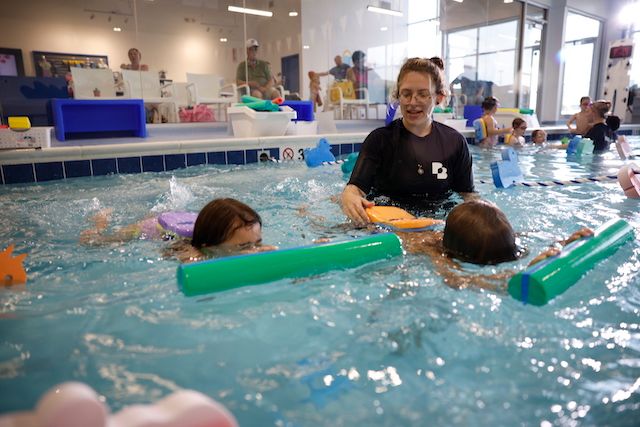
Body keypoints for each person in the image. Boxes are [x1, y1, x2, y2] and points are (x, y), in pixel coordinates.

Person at [340, 57, 475, 224]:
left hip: (437, 223)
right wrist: (349, 197)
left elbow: (468, 195)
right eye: (406, 94)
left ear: (438, 97)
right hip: (387, 225)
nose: (412, 102)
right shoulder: (380, 140)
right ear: (398, 95)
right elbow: (355, 189)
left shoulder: (455, 142)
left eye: (422, 94)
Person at [400, 199, 593, 290]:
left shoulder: (428, 245)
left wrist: (509, 280)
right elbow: (535, 236)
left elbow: (454, 280)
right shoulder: (507, 238)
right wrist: (563, 243)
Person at [80, 198, 275, 262]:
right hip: (152, 228)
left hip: (186, 221)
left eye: (256, 243)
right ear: (210, 246)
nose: (255, 250)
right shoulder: (191, 250)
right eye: (244, 247)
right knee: (97, 241)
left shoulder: (240, 238)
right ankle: (100, 220)